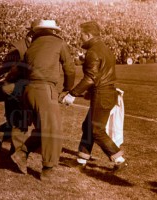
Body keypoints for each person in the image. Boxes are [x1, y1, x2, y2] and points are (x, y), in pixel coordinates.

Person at [10, 20, 76, 180]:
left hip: (29, 90)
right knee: (53, 131)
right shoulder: (58, 42)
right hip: (45, 90)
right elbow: (70, 68)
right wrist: (68, 89)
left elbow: (19, 70)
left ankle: (21, 153)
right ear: (53, 31)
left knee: (42, 130)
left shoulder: (32, 46)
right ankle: (48, 170)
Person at [69, 21, 127, 171]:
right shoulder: (105, 49)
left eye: (81, 34)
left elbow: (90, 78)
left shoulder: (93, 51)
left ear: (88, 35)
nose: (79, 37)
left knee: (96, 130)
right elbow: (100, 75)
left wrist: (72, 94)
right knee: (88, 126)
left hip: (102, 94)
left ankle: (119, 159)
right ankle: (81, 159)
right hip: (106, 92)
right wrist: (90, 92)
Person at [0, 19, 39, 152]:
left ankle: (1, 134)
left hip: (26, 88)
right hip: (15, 88)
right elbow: (7, 68)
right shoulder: (18, 47)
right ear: (31, 35)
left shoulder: (34, 46)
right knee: (20, 121)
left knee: (21, 120)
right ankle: (15, 153)